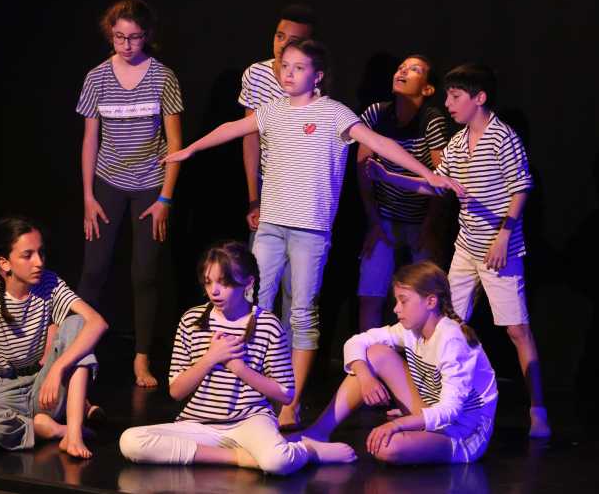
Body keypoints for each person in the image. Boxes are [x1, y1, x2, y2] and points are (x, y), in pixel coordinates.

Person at [164, 39, 464, 429]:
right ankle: (253, 397)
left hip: (310, 230)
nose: (288, 74)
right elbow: (232, 128)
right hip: (271, 227)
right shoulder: (272, 110)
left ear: (317, 75)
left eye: (299, 68)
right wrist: (190, 150)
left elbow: (380, 143)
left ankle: (291, 401)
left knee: (302, 313)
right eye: (285, 66)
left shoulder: (334, 113)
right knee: (254, 306)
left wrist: (428, 174)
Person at [364, 62, 551, 437]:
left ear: (479, 98)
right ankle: (428, 405)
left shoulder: (502, 137)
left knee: (516, 330)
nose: (448, 104)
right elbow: (435, 185)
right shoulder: (459, 142)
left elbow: (521, 188)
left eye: (455, 96)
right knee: (444, 323)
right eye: (448, 96)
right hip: (467, 247)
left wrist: (503, 236)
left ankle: (538, 410)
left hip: (499, 249)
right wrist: (389, 176)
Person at [119, 241, 356, 474]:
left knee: (278, 462)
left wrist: (239, 368)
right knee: (131, 441)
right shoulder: (192, 321)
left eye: (224, 282)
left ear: (248, 283)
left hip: (250, 421)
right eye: (208, 282)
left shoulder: (267, 324)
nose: (214, 291)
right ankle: (240, 458)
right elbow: (176, 391)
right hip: (200, 425)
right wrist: (211, 358)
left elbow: (285, 393)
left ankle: (308, 450)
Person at [76, 0, 183, 387]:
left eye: (134, 37)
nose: (126, 45)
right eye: (119, 37)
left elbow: (175, 144)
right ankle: (77, 352)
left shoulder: (163, 77)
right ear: (111, 34)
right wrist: (88, 196)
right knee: (94, 270)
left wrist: (165, 198)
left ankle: (141, 358)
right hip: (107, 183)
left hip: (150, 186)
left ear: (146, 36)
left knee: (145, 274)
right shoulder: (97, 78)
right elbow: (90, 140)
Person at [0, 217, 108, 459]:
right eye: (28, 255)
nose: (39, 262)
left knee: (78, 323)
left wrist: (57, 369)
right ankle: (51, 430)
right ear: (4, 263)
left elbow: (97, 322)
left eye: (41, 253)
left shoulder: (49, 283)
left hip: (41, 386)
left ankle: (73, 434)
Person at [300, 261, 498, 464]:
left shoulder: (452, 340)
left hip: (462, 433)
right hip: (432, 414)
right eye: (396, 301)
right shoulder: (409, 330)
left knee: (385, 447)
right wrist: (365, 376)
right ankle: (317, 433)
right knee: (375, 353)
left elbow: (450, 411)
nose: (396, 309)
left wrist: (400, 424)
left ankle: (425, 437)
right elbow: (356, 341)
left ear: (431, 302)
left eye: (403, 301)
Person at [238, 4, 315, 383]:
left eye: (294, 40)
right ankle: (254, 363)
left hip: (302, 198)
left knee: (296, 293)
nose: (284, 45)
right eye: (280, 36)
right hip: (269, 194)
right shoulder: (257, 74)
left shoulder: (310, 78)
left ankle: (285, 371)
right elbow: (248, 136)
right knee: (258, 284)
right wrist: (254, 197)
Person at [356, 54, 451, 331]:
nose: (403, 72)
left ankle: (427, 353)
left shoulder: (431, 120)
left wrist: (430, 226)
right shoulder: (376, 113)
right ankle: (368, 352)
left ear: (427, 88)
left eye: (414, 69)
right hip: (384, 216)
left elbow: (441, 179)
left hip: (421, 219)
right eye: (401, 68)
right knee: (370, 293)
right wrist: (373, 220)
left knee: (427, 297)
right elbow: (363, 171)